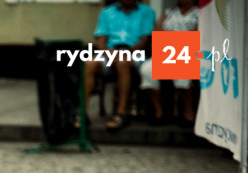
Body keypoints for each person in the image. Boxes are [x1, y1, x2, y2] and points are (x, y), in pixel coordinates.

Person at [83, 0, 156, 132]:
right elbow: (100, 40)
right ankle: (82, 113)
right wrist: (108, 54)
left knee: (123, 62)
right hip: (110, 52)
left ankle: (121, 113)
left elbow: (145, 40)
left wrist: (125, 54)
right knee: (90, 63)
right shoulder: (107, 12)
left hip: (135, 54)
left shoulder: (147, 12)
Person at [138, 0, 197, 125]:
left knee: (182, 70)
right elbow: (157, 34)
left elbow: (196, 36)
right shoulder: (167, 13)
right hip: (166, 52)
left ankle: (188, 111)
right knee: (147, 70)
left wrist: (171, 39)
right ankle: (160, 112)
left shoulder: (200, 14)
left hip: (190, 53)